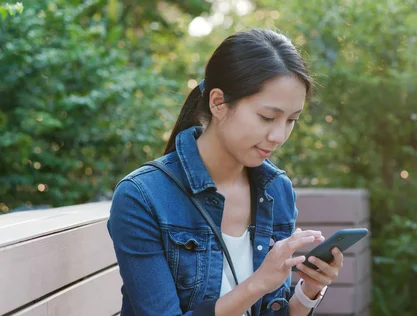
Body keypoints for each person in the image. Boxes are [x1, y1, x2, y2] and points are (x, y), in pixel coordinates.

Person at [107, 28, 344, 316]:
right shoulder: (143, 197)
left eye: (291, 120)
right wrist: (256, 284)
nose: (279, 136)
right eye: (267, 117)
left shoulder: (276, 190)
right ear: (218, 102)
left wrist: (308, 292)